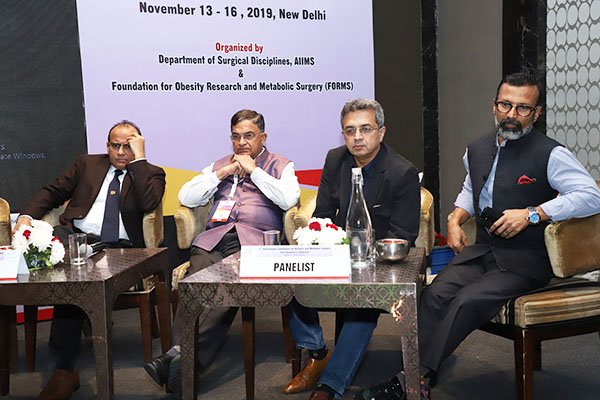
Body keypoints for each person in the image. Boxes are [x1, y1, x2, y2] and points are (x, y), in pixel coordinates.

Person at [357, 71, 600, 400]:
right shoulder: (478, 148)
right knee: (434, 295)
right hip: (483, 251)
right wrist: (456, 218)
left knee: (466, 301)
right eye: (505, 105)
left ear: (537, 113)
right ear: (494, 106)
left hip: (524, 262)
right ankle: (415, 374)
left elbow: (591, 196)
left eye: (523, 108)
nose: (512, 114)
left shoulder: (551, 154)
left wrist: (532, 213)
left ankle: (412, 383)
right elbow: (472, 190)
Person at [143, 109, 300, 398]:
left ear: (263, 137)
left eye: (249, 136)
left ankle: (177, 356)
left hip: (253, 241)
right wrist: (224, 172)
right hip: (212, 239)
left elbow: (289, 199)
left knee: (226, 289)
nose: (242, 142)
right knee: (194, 288)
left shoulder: (281, 164)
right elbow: (186, 196)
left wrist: (254, 171)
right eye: (236, 137)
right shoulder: (219, 164)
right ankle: (182, 359)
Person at [15, 120, 166, 400]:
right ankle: (64, 353)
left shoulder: (151, 173)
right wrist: (26, 216)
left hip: (117, 249)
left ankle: (64, 370)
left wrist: (139, 159)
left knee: (75, 280)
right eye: (115, 145)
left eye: (128, 146)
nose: (121, 152)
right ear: (107, 146)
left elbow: (149, 203)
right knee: (62, 273)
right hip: (74, 238)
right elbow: (52, 191)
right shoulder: (87, 164)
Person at [282, 98, 421, 400]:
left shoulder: (402, 172)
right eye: (350, 130)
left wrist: (362, 257)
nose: (357, 137)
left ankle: (330, 385)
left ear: (381, 132)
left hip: (378, 264)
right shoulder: (336, 160)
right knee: (289, 278)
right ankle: (318, 353)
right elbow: (323, 215)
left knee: (362, 303)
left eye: (365, 129)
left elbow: (404, 235)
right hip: (338, 255)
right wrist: (326, 244)